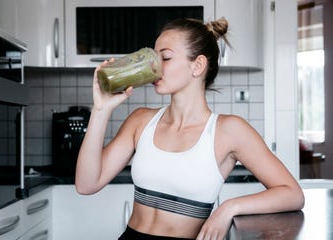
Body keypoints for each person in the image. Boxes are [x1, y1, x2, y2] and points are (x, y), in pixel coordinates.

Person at [75, 18, 305, 240]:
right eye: (154, 57)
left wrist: (229, 207)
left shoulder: (229, 130)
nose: (154, 66)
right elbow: (86, 184)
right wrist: (101, 110)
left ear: (198, 65)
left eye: (165, 57)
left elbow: (291, 193)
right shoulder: (140, 121)